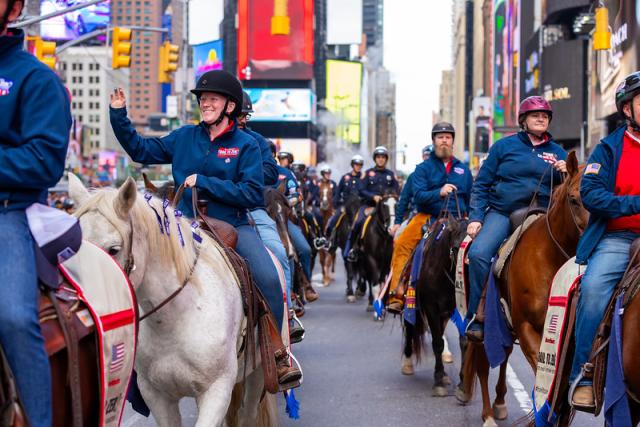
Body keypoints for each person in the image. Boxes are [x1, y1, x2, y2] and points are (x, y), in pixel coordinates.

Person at [109, 70, 301, 387]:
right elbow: (141, 150)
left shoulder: (247, 145)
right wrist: (119, 115)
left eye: (212, 99)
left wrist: (206, 183)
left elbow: (252, 193)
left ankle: (277, 353)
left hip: (234, 226)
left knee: (269, 275)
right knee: (138, 269)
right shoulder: (184, 137)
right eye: (202, 99)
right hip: (182, 227)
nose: (205, 103)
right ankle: (135, 362)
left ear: (229, 106)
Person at [0, 0, 72, 424]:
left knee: (11, 315)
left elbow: (45, 161)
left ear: (14, 9)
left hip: (9, 213)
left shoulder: (35, 79)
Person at [465, 96, 568, 342]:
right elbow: (481, 184)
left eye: (545, 115)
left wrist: (567, 173)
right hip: (503, 212)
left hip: (541, 215)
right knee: (479, 253)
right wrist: (476, 217)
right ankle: (479, 315)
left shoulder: (558, 152)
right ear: (523, 121)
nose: (541, 118)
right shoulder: (503, 146)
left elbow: (570, 193)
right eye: (535, 115)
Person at [569, 72, 640, 408]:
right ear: (627, 109)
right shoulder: (608, 148)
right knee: (594, 289)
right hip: (620, 238)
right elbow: (591, 194)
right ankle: (584, 373)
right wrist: (634, 203)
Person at [387, 123, 473, 313]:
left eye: (448, 137)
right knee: (402, 244)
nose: (444, 140)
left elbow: (472, 198)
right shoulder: (423, 168)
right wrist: (439, 192)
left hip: (458, 219)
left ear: (452, 141)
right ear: (433, 141)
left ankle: (477, 300)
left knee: (480, 250)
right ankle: (397, 295)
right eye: (440, 137)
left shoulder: (464, 171)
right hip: (427, 216)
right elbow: (417, 196)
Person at [237, 92, 298, 341]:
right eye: (238, 114)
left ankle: (287, 313)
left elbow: (271, 176)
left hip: (253, 208)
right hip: (209, 210)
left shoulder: (256, 141)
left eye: (245, 115)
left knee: (281, 252)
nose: (242, 119)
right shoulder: (202, 138)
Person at [344, 146, 399, 261]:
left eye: (383, 157)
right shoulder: (367, 174)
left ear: (386, 159)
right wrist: (373, 196)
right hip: (369, 206)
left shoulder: (391, 174)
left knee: (399, 224)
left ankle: (399, 250)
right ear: (375, 159)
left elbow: (396, 190)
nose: (380, 159)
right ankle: (351, 249)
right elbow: (361, 190)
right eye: (378, 157)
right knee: (357, 223)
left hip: (386, 208)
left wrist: (389, 197)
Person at [272, 147, 314, 291]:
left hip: (283, 218)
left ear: (273, 155)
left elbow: (296, 194)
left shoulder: (285, 174)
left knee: (305, 249)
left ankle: (306, 285)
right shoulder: (253, 170)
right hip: (258, 218)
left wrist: (285, 203)